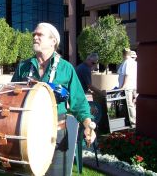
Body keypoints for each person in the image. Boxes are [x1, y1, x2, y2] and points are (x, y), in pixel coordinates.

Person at [12, 23, 96, 176]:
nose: (35, 37)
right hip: (26, 132)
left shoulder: (66, 68)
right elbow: (12, 96)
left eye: (40, 35)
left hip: (56, 133)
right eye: (34, 35)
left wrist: (88, 124)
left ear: (53, 41)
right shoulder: (23, 67)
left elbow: (79, 102)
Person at [117, 48, 137, 127]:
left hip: (127, 87)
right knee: (129, 104)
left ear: (124, 54)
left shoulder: (127, 62)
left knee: (129, 104)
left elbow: (127, 75)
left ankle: (133, 122)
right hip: (131, 87)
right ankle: (130, 121)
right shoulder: (132, 62)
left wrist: (123, 86)